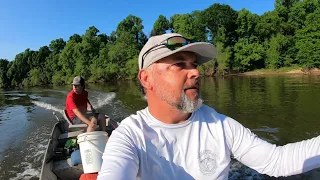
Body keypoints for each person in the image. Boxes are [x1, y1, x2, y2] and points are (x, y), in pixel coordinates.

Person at [97, 33, 320, 179]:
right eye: (179, 65)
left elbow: (276, 161)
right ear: (146, 79)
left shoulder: (220, 125)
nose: (195, 72)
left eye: (194, 65)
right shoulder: (129, 136)